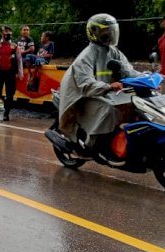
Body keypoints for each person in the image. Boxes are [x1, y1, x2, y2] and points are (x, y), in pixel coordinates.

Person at [57, 13, 140, 163]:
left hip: (105, 92)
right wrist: (108, 86)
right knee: (108, 110)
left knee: (132, 105)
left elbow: (128, 70)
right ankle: (91, 146)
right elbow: (86, 83)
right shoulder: (87, 55)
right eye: (106, 32)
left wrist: (149, 77)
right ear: (95, 33)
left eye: (111, 31)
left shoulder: (114, 52)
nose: (110, 36)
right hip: (84, 95)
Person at [0, 25, 24, 122]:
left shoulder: (15, 46)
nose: (7, 33)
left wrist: (20, 73)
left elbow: (19, 60)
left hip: (10, 73)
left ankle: (6, 114)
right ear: (2, 33)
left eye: (9, 31)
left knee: (10, 94)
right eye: (5, 31)